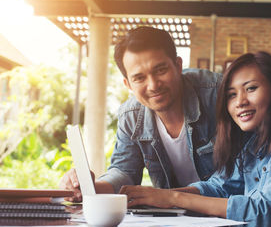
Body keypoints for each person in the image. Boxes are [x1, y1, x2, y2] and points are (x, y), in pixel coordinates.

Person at [120, 51, 271, 227]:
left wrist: (173, 198)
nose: (240, 102)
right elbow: (218, 187)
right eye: (232, 95)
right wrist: (160, 196)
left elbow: (263, 213)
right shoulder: (252, 145)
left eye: (251, 88)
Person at [59, 26, 221, 201]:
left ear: (178, 65)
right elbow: (125, 171)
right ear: (128, 84)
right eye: (139, 78)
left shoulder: (217, 95)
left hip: (228, 216)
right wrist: (89, 188)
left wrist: (170, 197)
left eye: (160, 70)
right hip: (178, 217)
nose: (153, 85)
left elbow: (236, 179)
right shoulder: (131, 116)